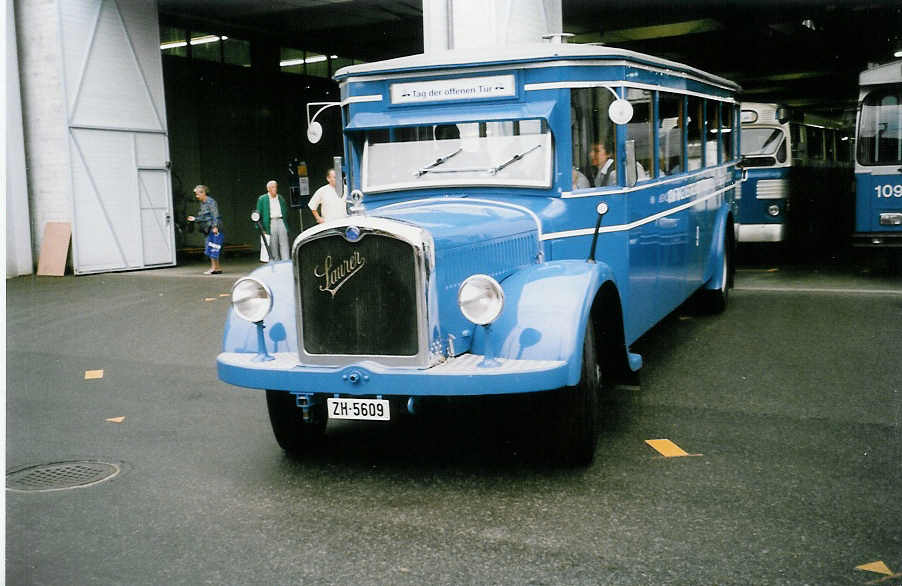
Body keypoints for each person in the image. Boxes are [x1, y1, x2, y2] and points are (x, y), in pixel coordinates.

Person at [187, 184, 223, 274]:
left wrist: (215, 226)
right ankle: (216, 267)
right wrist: (195, 219)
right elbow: (203, 216)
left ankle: (214, 267)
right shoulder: (203, 203)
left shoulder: (210, 202)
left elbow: (215, 214)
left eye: (198, 194)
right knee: (213, 247)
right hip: (207, 227)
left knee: (212, 247)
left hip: (212, 227)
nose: (196, 196)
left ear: (203, 193)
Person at [255, 180, 291, 261]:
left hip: (281, 221)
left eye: (275, 187)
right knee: (273, 244)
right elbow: (258, 214)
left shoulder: (280, 198)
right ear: (268, 189)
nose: (274, 189)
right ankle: (276, 262)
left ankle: (286, 261)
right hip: (271, 222)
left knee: (284, 243)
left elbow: (285, 211)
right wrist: (261, 228)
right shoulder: (262, 199)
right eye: (272, 187)